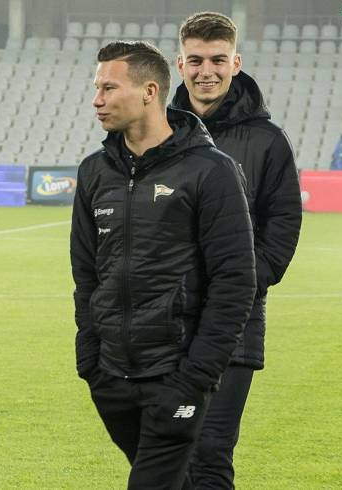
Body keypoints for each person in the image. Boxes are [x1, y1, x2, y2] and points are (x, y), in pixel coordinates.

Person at [70, 40, 257, 489]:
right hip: (111, 375)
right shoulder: (94, 171)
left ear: (149, 91)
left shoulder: (211, 170)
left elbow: (235, 281)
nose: (97, 100)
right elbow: (86, 274)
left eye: (109, 88)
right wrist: (90, 361)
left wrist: (196, 377)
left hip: (176, 373)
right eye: (97, 88)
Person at [169, 12, 302, 489]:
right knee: (167, 452)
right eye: (196, 60)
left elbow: (282, 225)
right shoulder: (157, 134)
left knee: (209, 452)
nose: (206, 71)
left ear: (236, 62)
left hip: (232, 322)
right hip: (165, 323)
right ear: (179, 64)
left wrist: (241, 284)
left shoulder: (268, 141)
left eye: (218, 60)